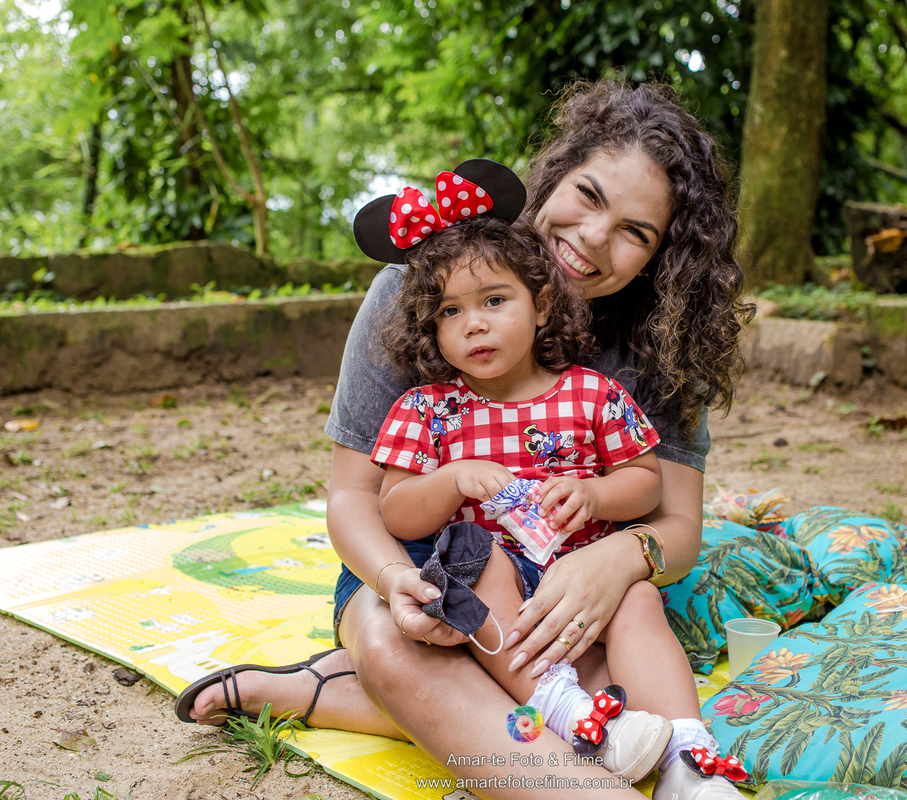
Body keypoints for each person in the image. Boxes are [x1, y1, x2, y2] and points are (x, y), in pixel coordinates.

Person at [179, 79, 752, 800]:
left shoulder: (661, 343)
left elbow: (677, 523)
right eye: (589, 195)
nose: (593, 238)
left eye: (636, 232)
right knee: (398, 646)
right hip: (426, 564)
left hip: (577, 582)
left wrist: (618, 558)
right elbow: (356, 499)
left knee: (615, 666)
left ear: (663, 255)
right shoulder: (425, 284)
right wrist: (395, 582)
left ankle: (323, 691)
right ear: (552, 176)